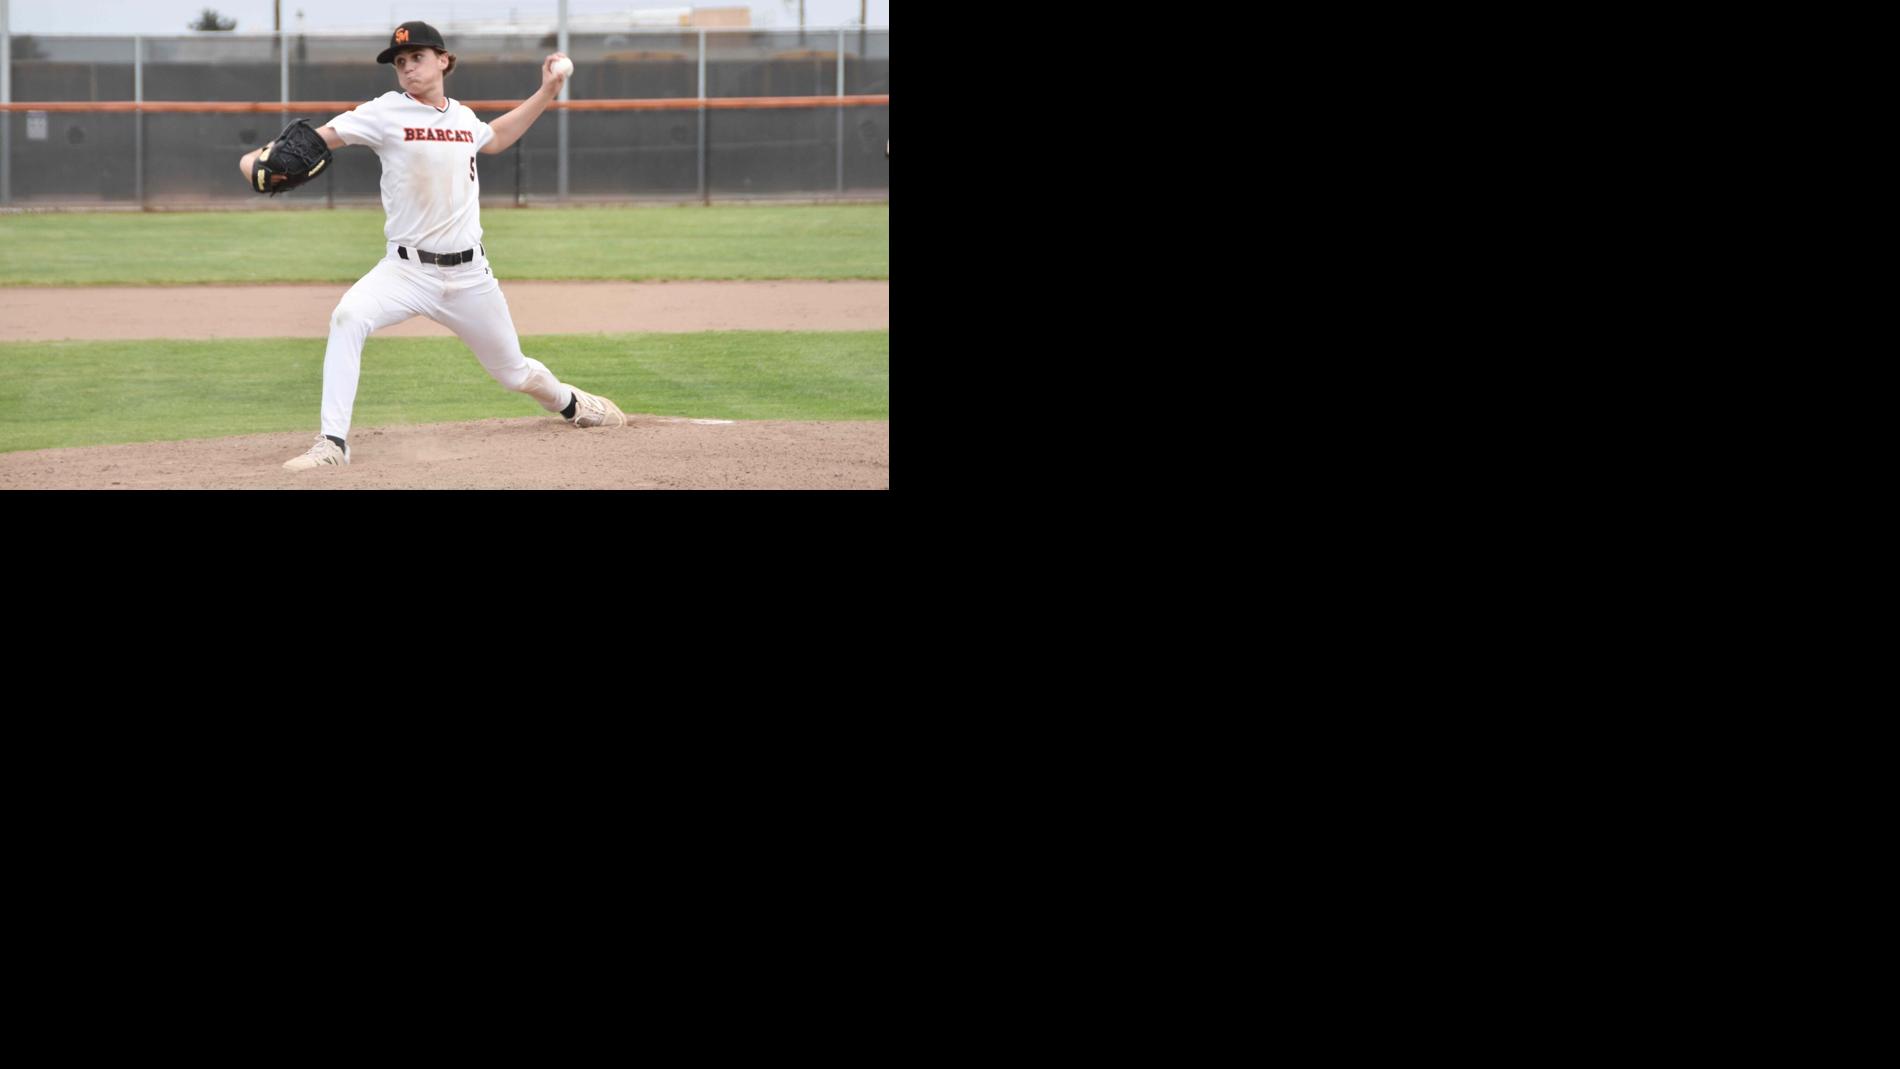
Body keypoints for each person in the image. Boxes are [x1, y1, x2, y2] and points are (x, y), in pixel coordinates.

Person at [239, 20, 624, 472]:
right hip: (405, 271)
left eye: (417, 58)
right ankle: (332, 442)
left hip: (469, 277)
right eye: (400, 62)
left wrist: (547, 91)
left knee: (514, 372)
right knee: (348, 316)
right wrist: (254, 161)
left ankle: (570, 403)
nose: (407, 68)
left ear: (443, 61)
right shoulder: (385, 112)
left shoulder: (462, 118)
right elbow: (316, 141)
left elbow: (496, 137)